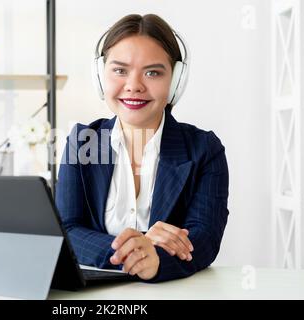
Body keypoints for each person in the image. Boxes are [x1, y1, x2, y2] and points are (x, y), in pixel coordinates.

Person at [55, 13, 229, 282]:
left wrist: (157, 261)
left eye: (152, 72)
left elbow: (204, 238)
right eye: (120, 70)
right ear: (100, 76)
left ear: (176, 80)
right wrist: (140, 251)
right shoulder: (83, 141)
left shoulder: (204, 149)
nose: (134, 86)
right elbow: (67, 230)